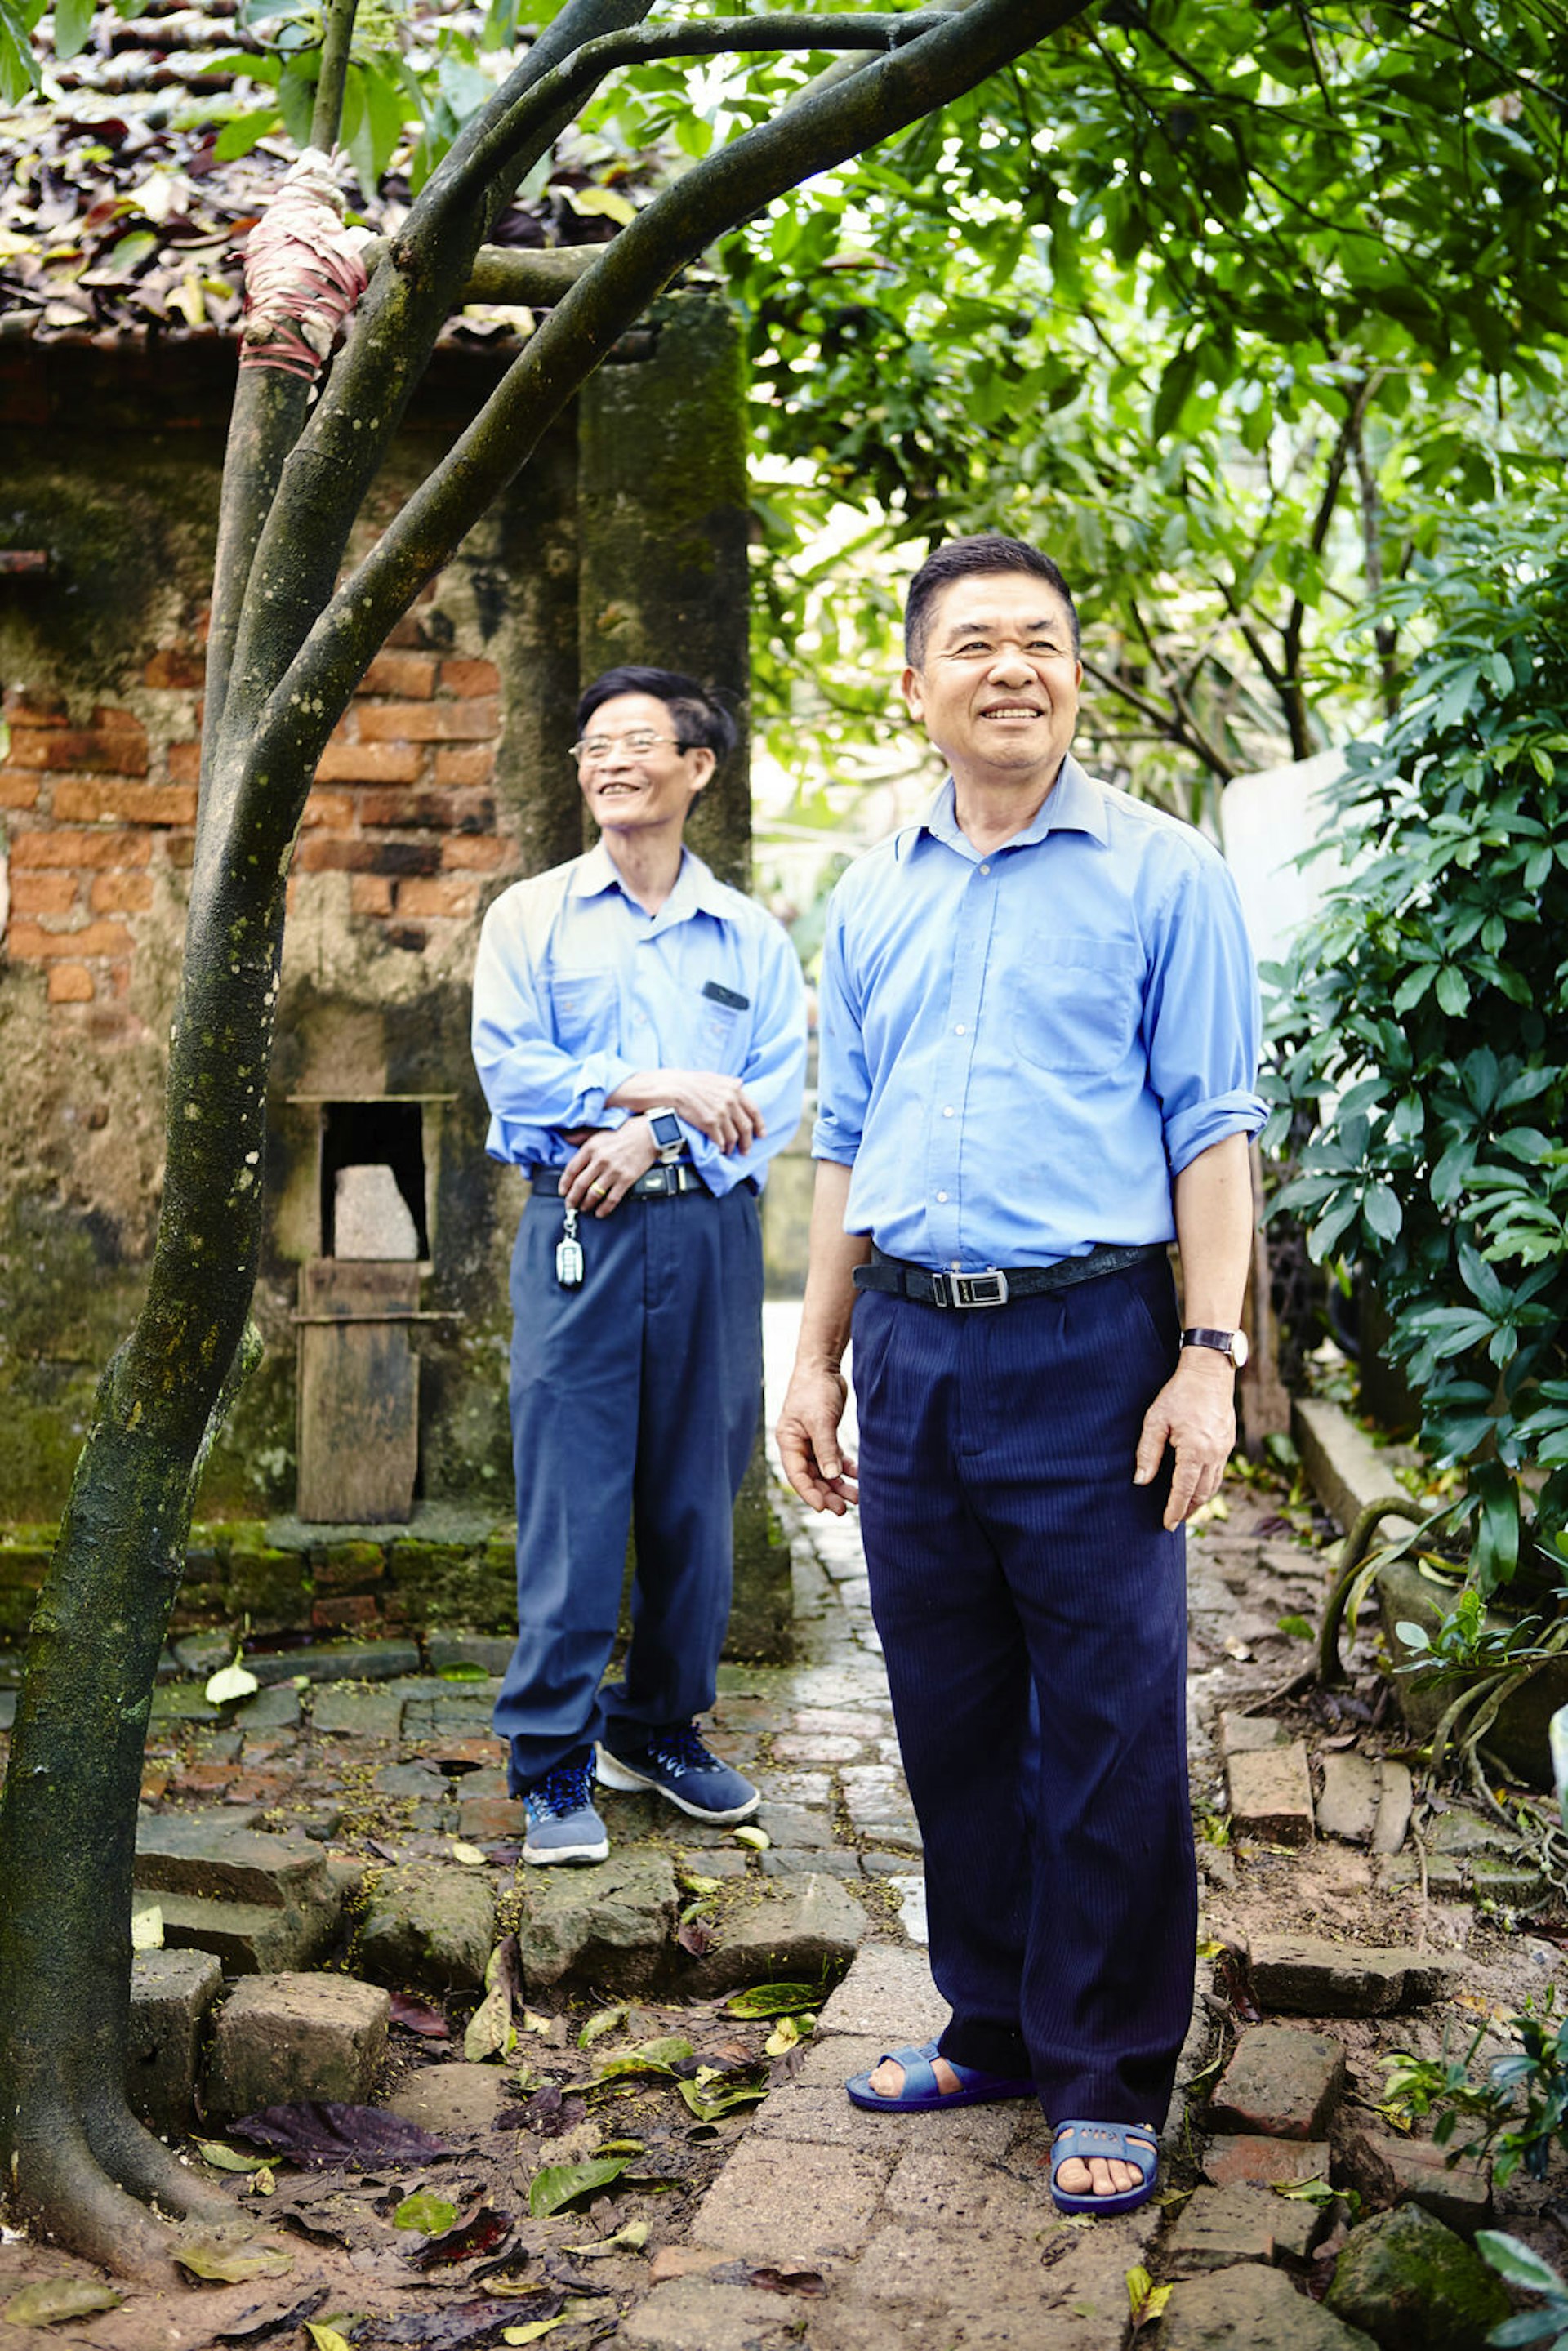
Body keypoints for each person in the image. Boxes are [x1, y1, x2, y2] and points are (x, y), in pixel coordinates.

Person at [775, 537, 1263, 2215]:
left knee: (1113, 1717)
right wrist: (818, 1350)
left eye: (1043, 641)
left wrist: (1208, 1358)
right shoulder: (876, 889)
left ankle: (1110, 2066)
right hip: (912, 1345)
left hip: (1093, 1344)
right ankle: (991, 2020)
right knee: (955, 1710)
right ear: (916, 686)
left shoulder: (1162, 875)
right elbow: (847, 1136)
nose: (1013, 668)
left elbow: (1212, 1129)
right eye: (974, 643)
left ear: (1074, 672)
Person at [473, 665, 807, 1867]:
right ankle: (552, 1764)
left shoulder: (749, 936)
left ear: (696, 767)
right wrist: (661, 1086)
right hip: (577, 1230)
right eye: (593, 745)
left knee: (695, 1499)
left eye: (637, 742)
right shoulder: (532, 918)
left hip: (706, 1231)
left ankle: (655, 1726)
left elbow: (772, 1097)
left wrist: (653, 1134)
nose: (610, 762)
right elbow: (512, 1073)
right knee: (573, 1500)